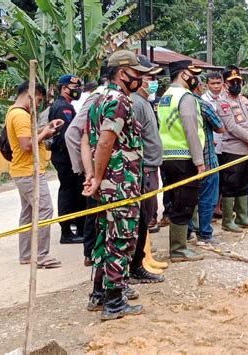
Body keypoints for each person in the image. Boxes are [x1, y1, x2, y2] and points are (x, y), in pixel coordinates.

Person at [83, 49, 149, 321]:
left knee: (104, 237)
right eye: (138, 74)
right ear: (123, 73)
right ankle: (113, 302)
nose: (141, 80)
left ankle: (99, 293)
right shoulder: (119, 101)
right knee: (120, 239)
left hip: (108, 182)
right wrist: (97, 176)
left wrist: (93, 176)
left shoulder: (97, 98)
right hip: (120, 183)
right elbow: (106, 141)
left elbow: (87, 139)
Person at [6, 81, 63, 268]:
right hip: (29, 171)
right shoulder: (20, 115)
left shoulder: (14, 112)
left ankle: (26, 254)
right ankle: (41, 255)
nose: (38, 103)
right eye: (38, 99)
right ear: (30, 94)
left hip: (22, 170)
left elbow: (29, 136)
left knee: (28, 213)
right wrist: (45, 132)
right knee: (45, 209)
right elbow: (26, 145)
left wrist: (45, 129)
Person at [157, 60, 206, 262]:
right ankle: (178, 249)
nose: (195, 78)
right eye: (192, 73)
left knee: (175, 201)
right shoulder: (185, 97)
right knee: (185, 202)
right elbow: (190, 130)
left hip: (167, 157)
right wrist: (199, 161)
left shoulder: (165, 97)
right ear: (184, 74)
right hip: (185, 157)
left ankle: (179, 246)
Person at [128, 54, 165, 282]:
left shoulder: (146, 101)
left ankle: (144, 258)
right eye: (150, 77)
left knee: (148, 214)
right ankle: (138, 263)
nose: (154, 82)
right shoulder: (135, 102)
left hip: (152, 166)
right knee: (142, 216)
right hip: (144, 167)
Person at [65, 73, 107, 267]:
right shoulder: (99, 98)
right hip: (96, 167)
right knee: (93, 212)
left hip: (104, 167)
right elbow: (73, 133)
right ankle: (90, 253)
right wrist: (83, 168)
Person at [218, 65, 248, 233]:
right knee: (231, 184)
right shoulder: (223, 103)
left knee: (245, 183)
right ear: (225, 84)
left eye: (238, 81)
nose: (236, 84)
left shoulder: (244, 100)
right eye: (232, 81)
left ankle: (242, 216)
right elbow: (231, 127)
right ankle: (227, 220)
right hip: (233, 150)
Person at [48, 74, 85, 244]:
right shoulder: (63, 108)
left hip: (66, 156)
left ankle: (77, 227)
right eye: (74, 87)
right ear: (64, 88)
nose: (77, 90)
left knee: (75, 193)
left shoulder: (66, 106)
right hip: (65, 157)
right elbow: (67, 136)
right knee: (68, 193)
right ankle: (66, 232)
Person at [189, 76, 225, 245]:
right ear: (200, 87)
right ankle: (204, 232)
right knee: (207, 198)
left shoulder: (172, 104)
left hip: (185, 159)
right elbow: (220, 127)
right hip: (207, 158)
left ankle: (187, 232)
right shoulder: (202, 105)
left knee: (187, 198)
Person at [202, 71, 224, 217]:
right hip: (209, 147)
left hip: (225, 144)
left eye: (218, 83)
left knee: (221, 179)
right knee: (208, 182)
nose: (216, 86)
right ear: (206, 85)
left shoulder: (224, 99)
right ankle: (208, 212)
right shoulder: (203, 101)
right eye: (213, 83)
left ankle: (218, 207)